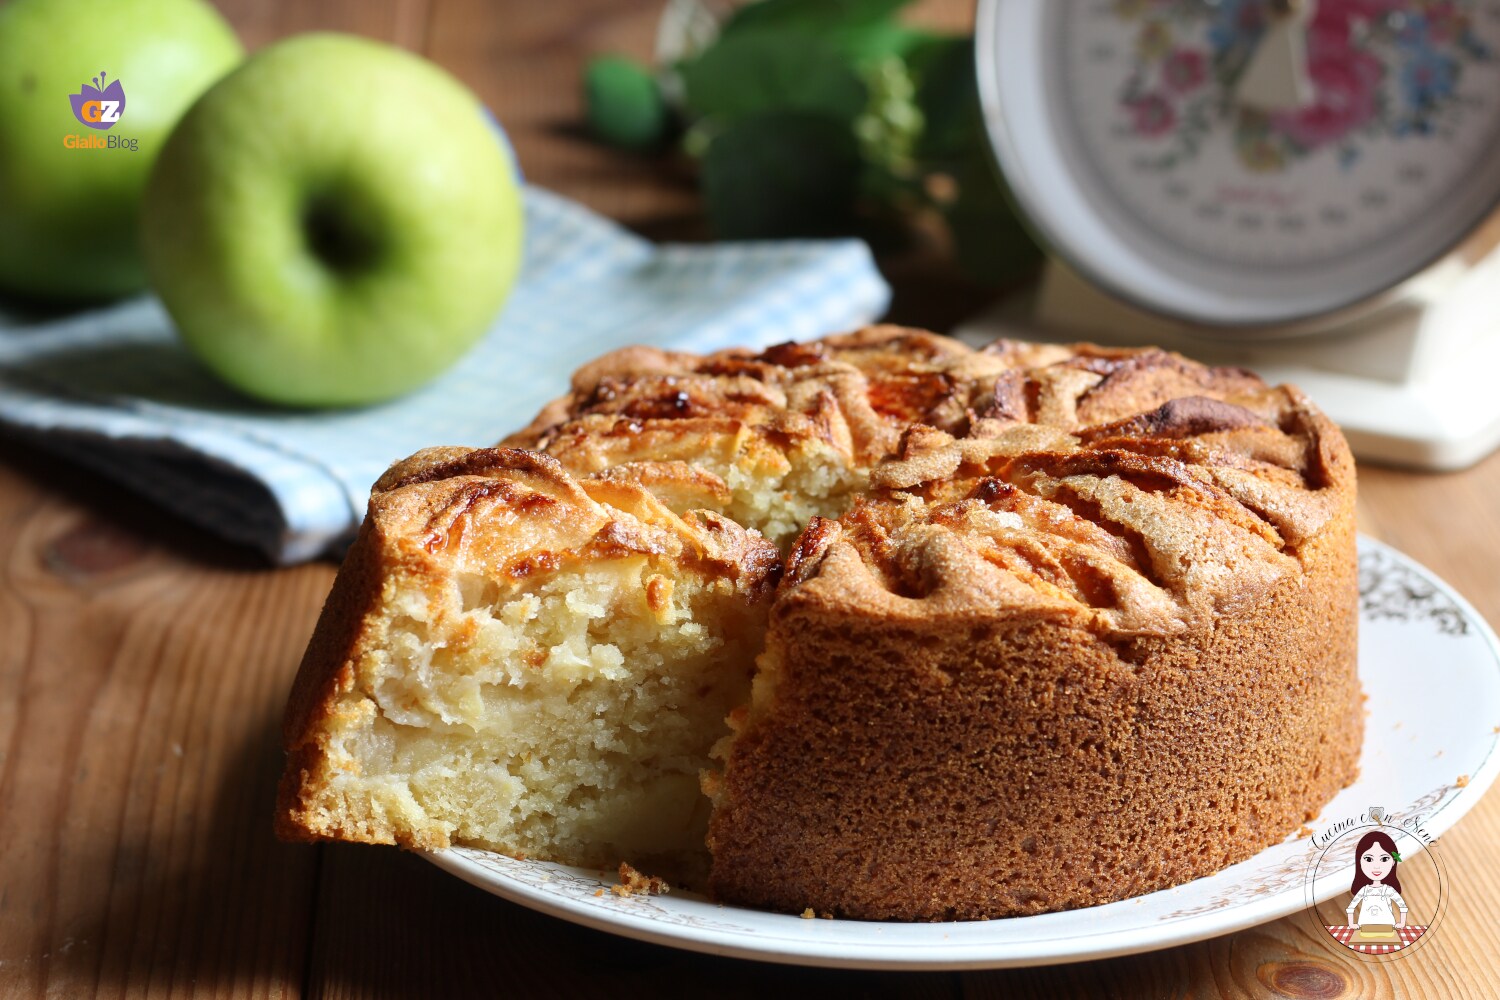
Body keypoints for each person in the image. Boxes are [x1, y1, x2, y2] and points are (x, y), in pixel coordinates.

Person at [1345, 830, 1408, 933]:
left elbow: (1402, 906)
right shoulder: (1365, 890)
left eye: (1384, 859)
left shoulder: (1388, 890)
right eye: (1369, 859)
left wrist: (1401, 923)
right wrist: (1352, 923)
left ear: (1393, 861)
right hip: (1365, 927)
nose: (1376, 866)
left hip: (1386, 927)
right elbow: (1351, 907)